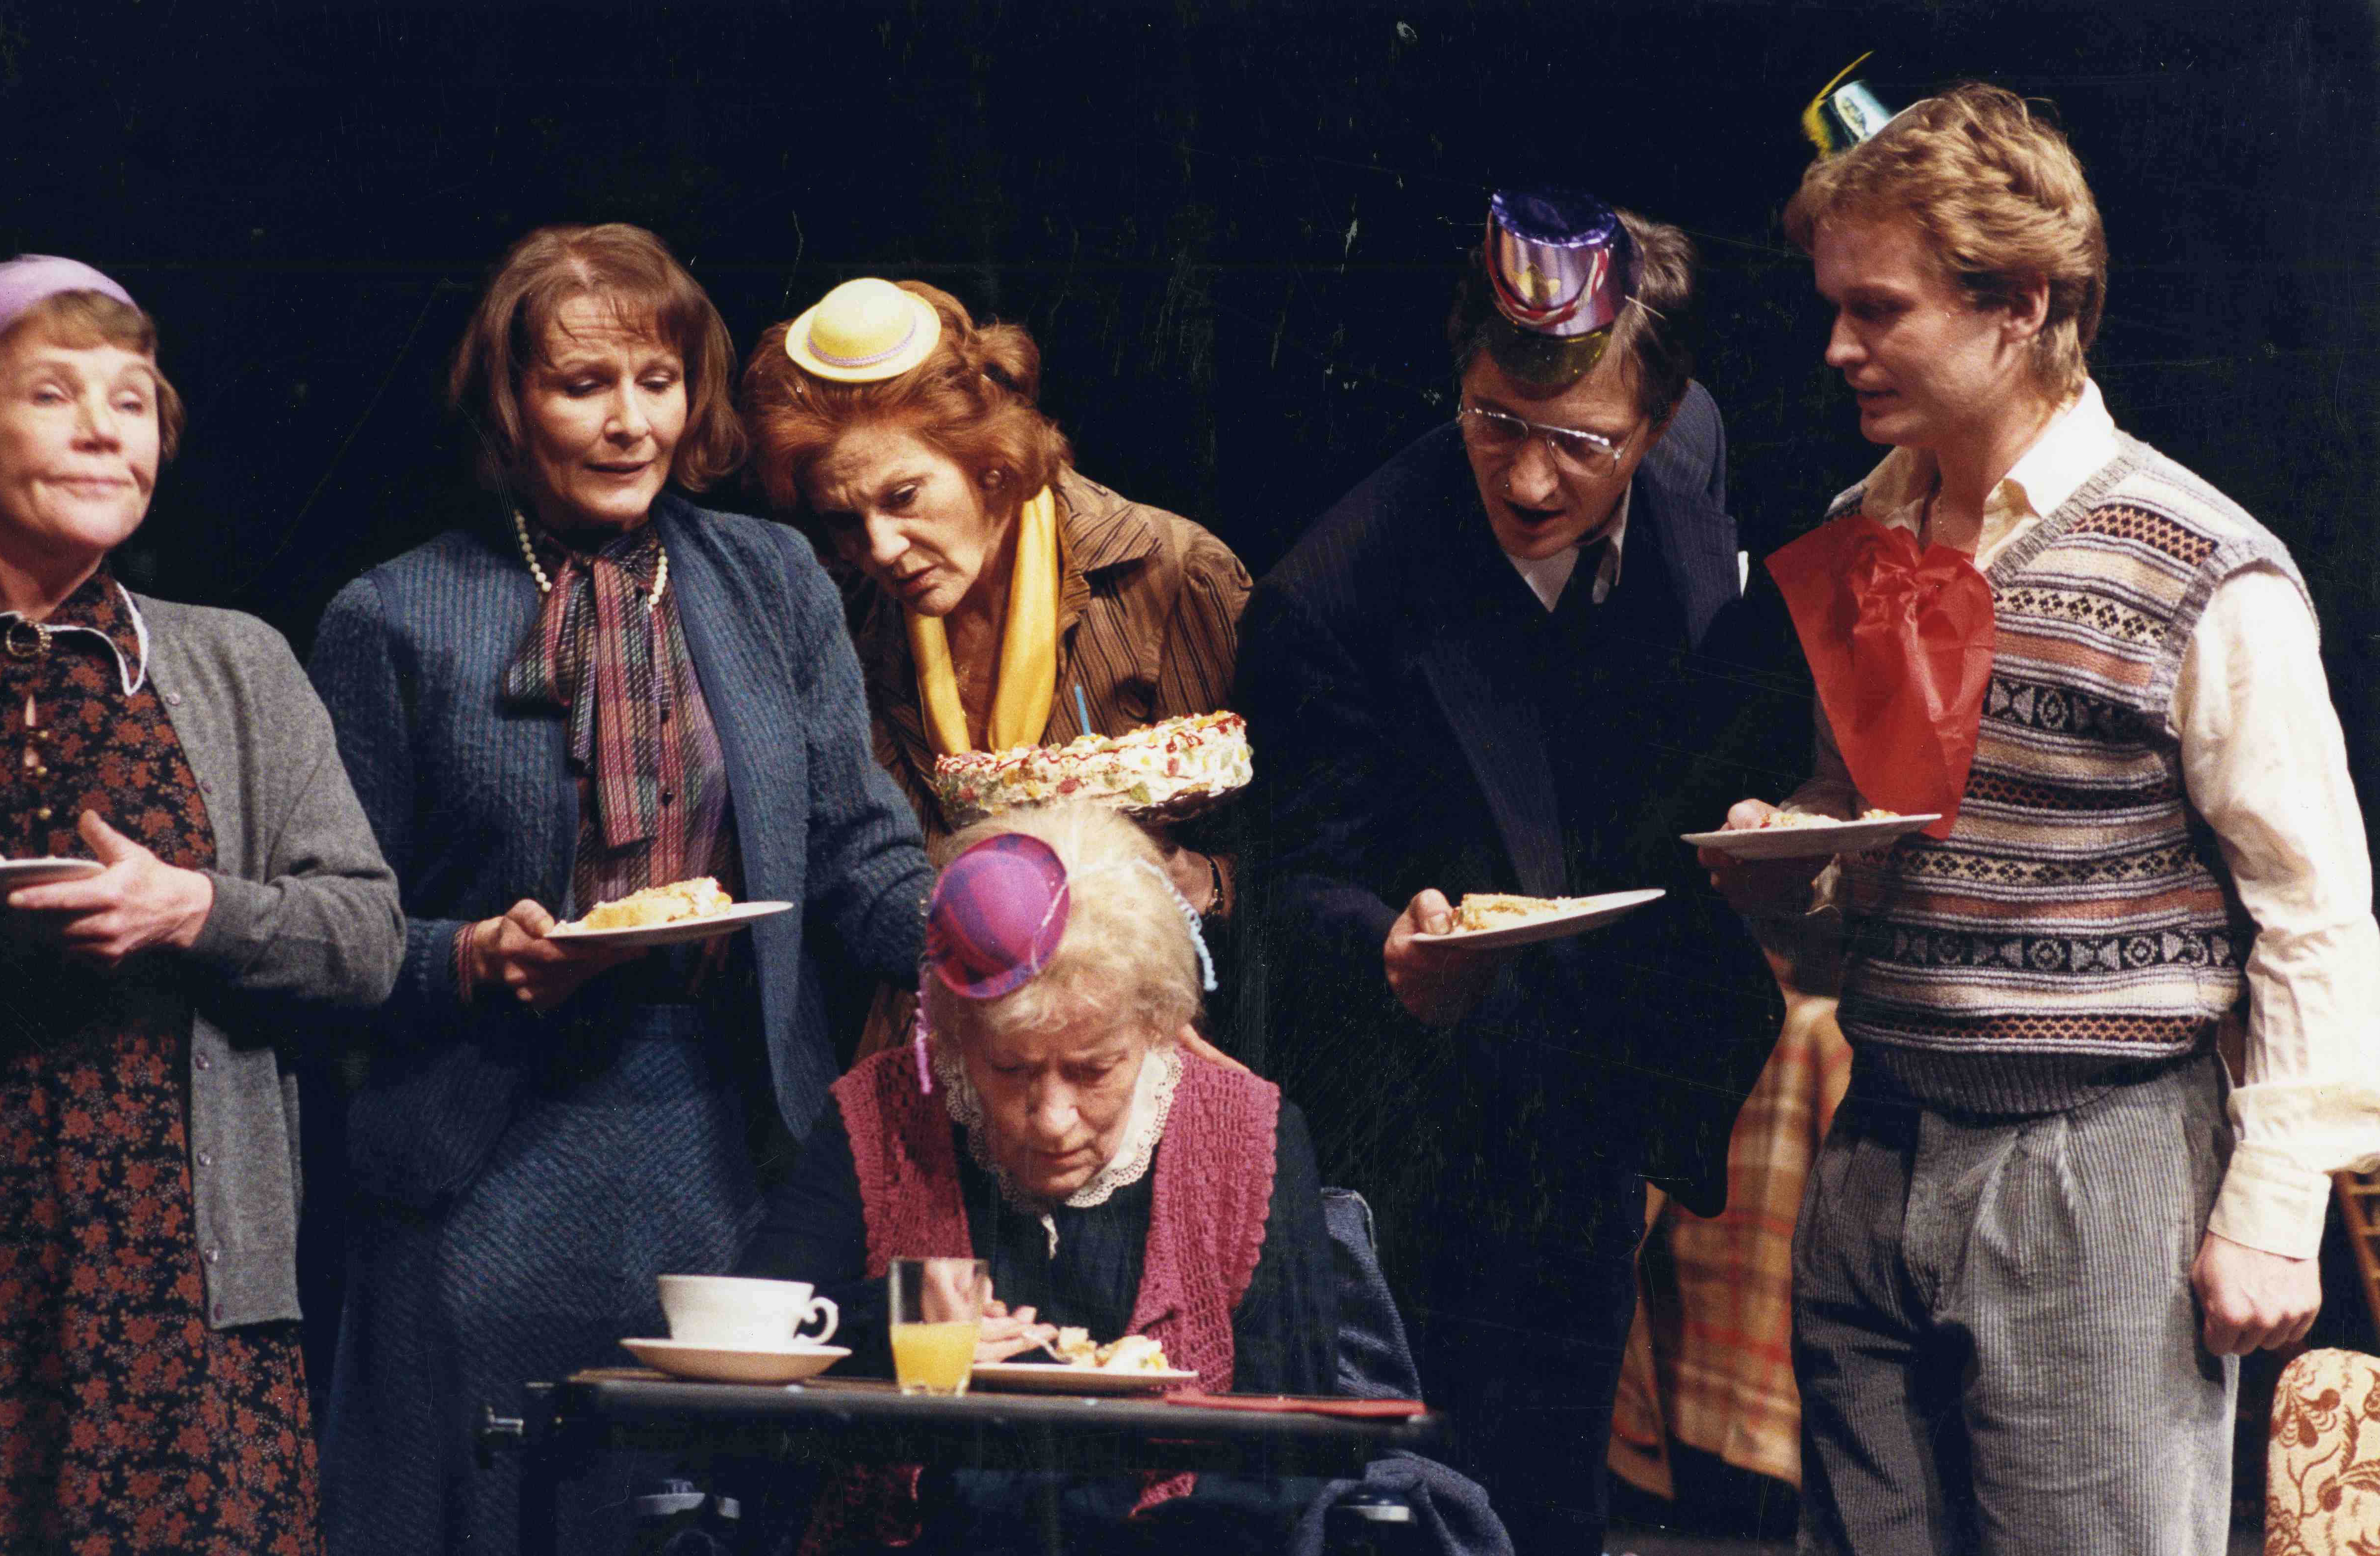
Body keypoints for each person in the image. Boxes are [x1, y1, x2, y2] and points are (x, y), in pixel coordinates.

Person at [1707, 83, 2380, 1555]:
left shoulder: (2200, 567)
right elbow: (1874, 815)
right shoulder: (1868, 527)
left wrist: (2273, 1207)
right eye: (1834, 308)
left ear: (2017, 305)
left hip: (2098, 1153)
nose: (1837, 348)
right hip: (1879, 1133)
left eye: (1877, 310)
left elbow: (2317, 907)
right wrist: (1793, 852)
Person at [306, 224, 934, 1555]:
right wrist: (469, 954)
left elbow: (858, 853)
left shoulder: (771, 581)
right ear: (509, 403)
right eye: (582, 385)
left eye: (657, 380)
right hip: (479, 1146)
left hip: (724, 1142)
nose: (629, 421)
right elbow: (331, 930)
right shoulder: (394, 617)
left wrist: (1006, 939)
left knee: (687, 1516)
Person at [1234, 187, 1799, 1555]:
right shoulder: (1334, 591)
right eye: (1494, 421)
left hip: (1599, 1095)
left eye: (1579, 441)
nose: (1531, 480)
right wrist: (1385, 942)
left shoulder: (1690, 479)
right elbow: (1290, 878)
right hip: (1418, 1128)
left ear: (1660, 422)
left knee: (1560, 1505)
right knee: (1427, 1505)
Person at [0, 257, 404, 1554]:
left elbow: (367, 937)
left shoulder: (236, 662)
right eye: (52, 393)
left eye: (132, 400)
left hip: (186, 1298)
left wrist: (196, 909)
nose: (104, 429)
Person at [737, 799, 1335, 1553]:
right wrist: (881, 1325)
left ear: (1157, 1023)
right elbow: (737, 1357)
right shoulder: (880, 1115)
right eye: (1010, 1068)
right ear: (955, 1033)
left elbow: (1297, 1457)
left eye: (1093, 1070)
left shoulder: (1250, 1135)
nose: (1052, 1119)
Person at [737, 279, 1248, 1055]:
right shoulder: (844, 616)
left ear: (988, 460)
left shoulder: (1173, 574)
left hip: (1130, 1051)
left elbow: (1299, 853)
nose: (878, 547)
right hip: (925, 1049)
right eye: (844, 518)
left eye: (902, 496)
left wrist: (1211, 882)